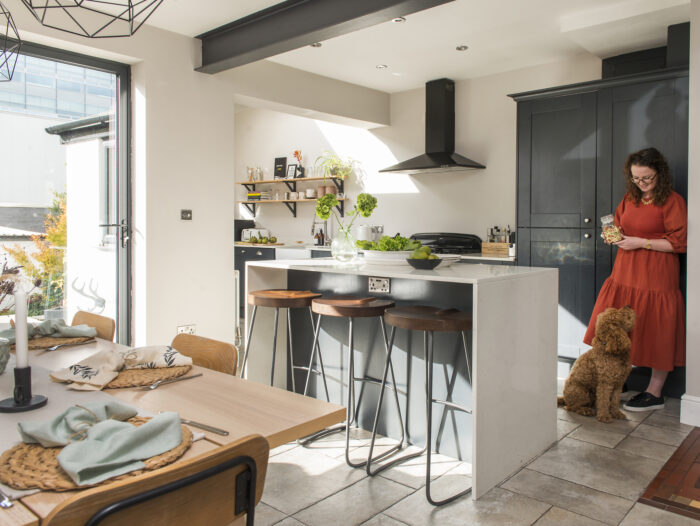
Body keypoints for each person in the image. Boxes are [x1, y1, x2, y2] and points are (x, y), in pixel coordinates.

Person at [583, 147, 687, 411]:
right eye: (636, 178)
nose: (641, 184)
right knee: (618, 327)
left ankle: (655, 392)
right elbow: (618, 226)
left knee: (656, 327)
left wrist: (642, 242)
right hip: (625, 271)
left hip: (657, 273)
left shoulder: (672, 201)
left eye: (647, 178)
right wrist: (612, 235)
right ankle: (619, 380)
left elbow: (679, 243)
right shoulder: (630, 198)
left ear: (660, 175)